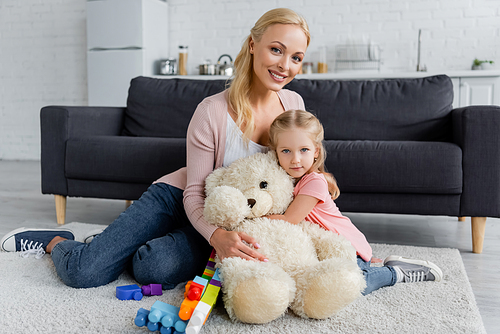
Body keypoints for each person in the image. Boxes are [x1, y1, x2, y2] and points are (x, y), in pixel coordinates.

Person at [0, 8, 310, 289]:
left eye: (296, 57)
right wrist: (215, 236)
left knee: (153, 267)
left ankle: (113, 244)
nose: (285, 66)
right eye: (276, 50)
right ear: (254, 45)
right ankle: (57, 242)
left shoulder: (294, 105)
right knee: (84, 272)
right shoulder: (212, 111)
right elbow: (193, 192)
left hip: (233, 217)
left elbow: (299, 171)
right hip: (182, 197)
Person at [266, 109, 443, 295]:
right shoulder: (284, 180)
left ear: (316, 152)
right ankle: (380, 265)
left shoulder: (314, 181)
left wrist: (253, 219)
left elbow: (289, 219)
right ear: (275, 152)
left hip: (347, 245)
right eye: (286, 151)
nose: (295, 159)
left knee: (352, 287)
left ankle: (395, 273)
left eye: (304, 150)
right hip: (326, 250)